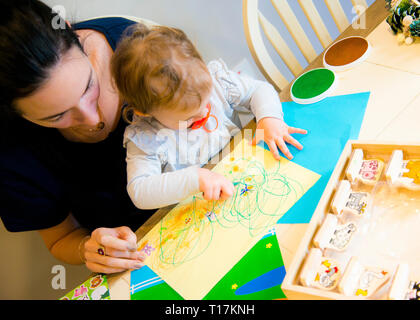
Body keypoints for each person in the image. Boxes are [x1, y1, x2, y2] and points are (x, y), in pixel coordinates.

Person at [0, 0, 155, 274]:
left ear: (71, 32)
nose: (93, 121)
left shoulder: (132, 45)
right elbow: (61, 237)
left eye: (88, 86)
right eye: (56, 116)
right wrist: (91, 248)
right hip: (140, 261)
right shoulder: (11, 153)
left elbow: (208, 108)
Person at [110, 24, 307, 210]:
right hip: (200, 210)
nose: (205, 113)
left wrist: (268, 118)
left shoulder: (217, 82)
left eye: (205, 103)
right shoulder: (147, 137)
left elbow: (258, 89)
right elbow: (140, 191)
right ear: (145, 111)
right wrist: (196, 178)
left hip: (249, 173)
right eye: (189, 117)